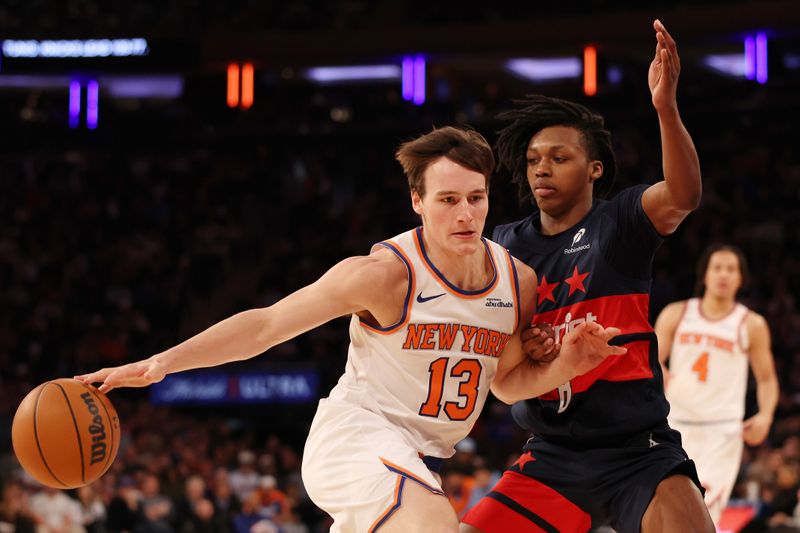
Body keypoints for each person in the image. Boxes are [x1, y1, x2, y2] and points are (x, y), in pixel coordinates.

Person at [76, 126, 625, 533]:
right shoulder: (383, 276)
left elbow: (504, 383)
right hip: (354, 439)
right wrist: (160, 363)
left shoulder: (517, 281)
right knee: (435, 521)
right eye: (448, 199)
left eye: (476, 198)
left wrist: (564, 366)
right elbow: (266, 325)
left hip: (413, 458)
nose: (465, 214)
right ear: (417, 202)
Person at [462, 20, 715, 533]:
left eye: (559, 158)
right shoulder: (504, 245)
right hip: (552, 454)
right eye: (533, 160)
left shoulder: (619, 222)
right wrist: (523, 347)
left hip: (637, 451)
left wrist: (665, 107)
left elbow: (684, 195)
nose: (541, 170)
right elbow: (499, 354)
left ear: (595, 168)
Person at [654, 244, 778, 525]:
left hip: (722, 433)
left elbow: (767, 378)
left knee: (703, 515)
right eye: (718, 268)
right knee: (664, 511)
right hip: (674, 425)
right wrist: (661, 373)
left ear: (740, 279)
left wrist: (766, 416)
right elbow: (650, 361)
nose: (724, 274)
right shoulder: (678, 313)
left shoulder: (751, 324)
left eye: (731, 269)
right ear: (705, 275)